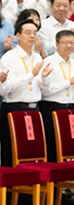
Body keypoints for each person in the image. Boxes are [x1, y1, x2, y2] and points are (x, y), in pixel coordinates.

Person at [0, 18, 52, 167]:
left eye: (35, 33)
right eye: (28, 32)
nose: (32, 36)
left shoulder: (37, 57)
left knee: (32, 153)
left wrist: (45, 78)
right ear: (18, 35)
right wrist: (31, 75)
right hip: (14, 109)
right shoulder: (9, 58)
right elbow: (6, 88)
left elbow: (43, 88)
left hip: (34, 109)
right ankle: (10, 182)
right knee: (11, 154)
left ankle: (31, 181)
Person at [39, 29, 74, 157]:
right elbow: (46, 91)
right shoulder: (48, 62)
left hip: (71, 108)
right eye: (65, 42)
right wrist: (68, 82)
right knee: (52, 146)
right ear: (57, 44)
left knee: (70, 145)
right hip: (52, 107)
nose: (69, 46)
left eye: (72, 43)